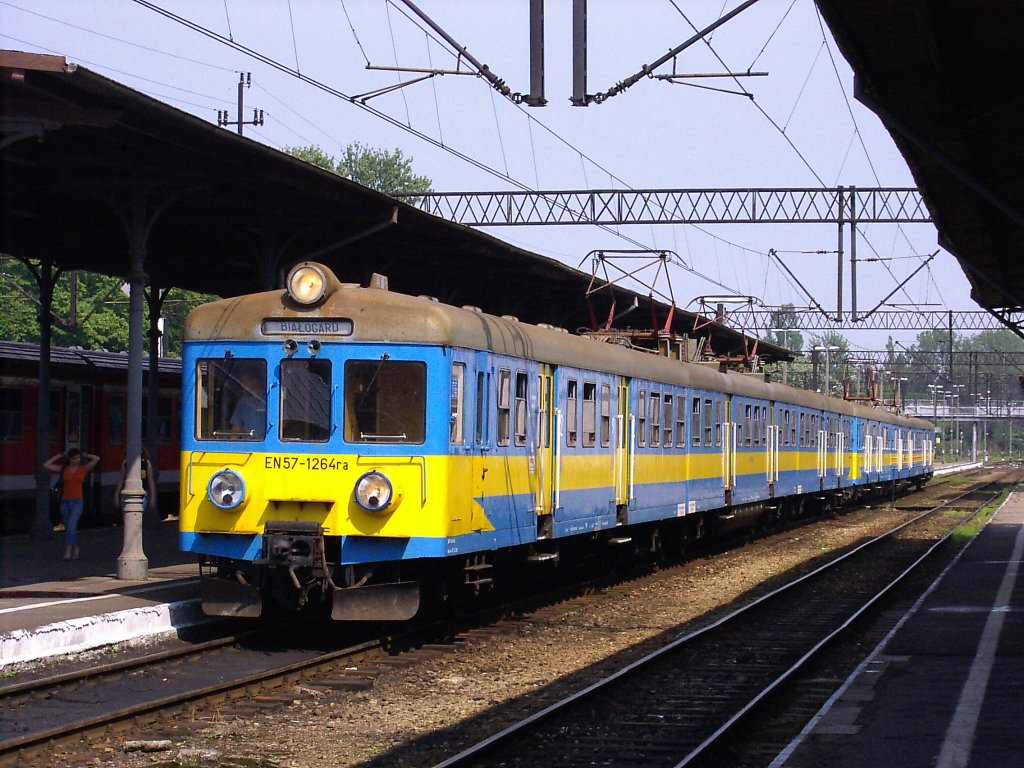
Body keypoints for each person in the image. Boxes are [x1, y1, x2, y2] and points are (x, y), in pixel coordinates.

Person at [44, 448, 100, 561]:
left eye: (78, 458)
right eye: (74, 458)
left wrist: (85, 454)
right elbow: (46, 464)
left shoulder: (83, 469)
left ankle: (68, 551)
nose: (77, 460)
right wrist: (59, 455)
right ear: (69, 459)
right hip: (65, 501)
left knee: (71, 525)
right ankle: (75, 547)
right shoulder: (63, 469)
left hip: (78, 501)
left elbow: (97, 459)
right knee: (69, 527)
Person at [113, 446, 157, 517]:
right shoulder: (126, 463)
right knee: (127, 517)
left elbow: (150, 481)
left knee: (138, 516)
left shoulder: (146, 464)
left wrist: (153, 497)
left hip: (142, 494)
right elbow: (121, 480)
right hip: (126, 494)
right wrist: (116, 496)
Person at [229, 368, 266, 437]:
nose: (243, 385)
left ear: (255, 381)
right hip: (248, 445)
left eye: (245, 381)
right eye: (242, 382)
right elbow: (236, 427)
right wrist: (229, 445)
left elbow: (283, 422)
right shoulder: (242, 402)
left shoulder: (270, 399)